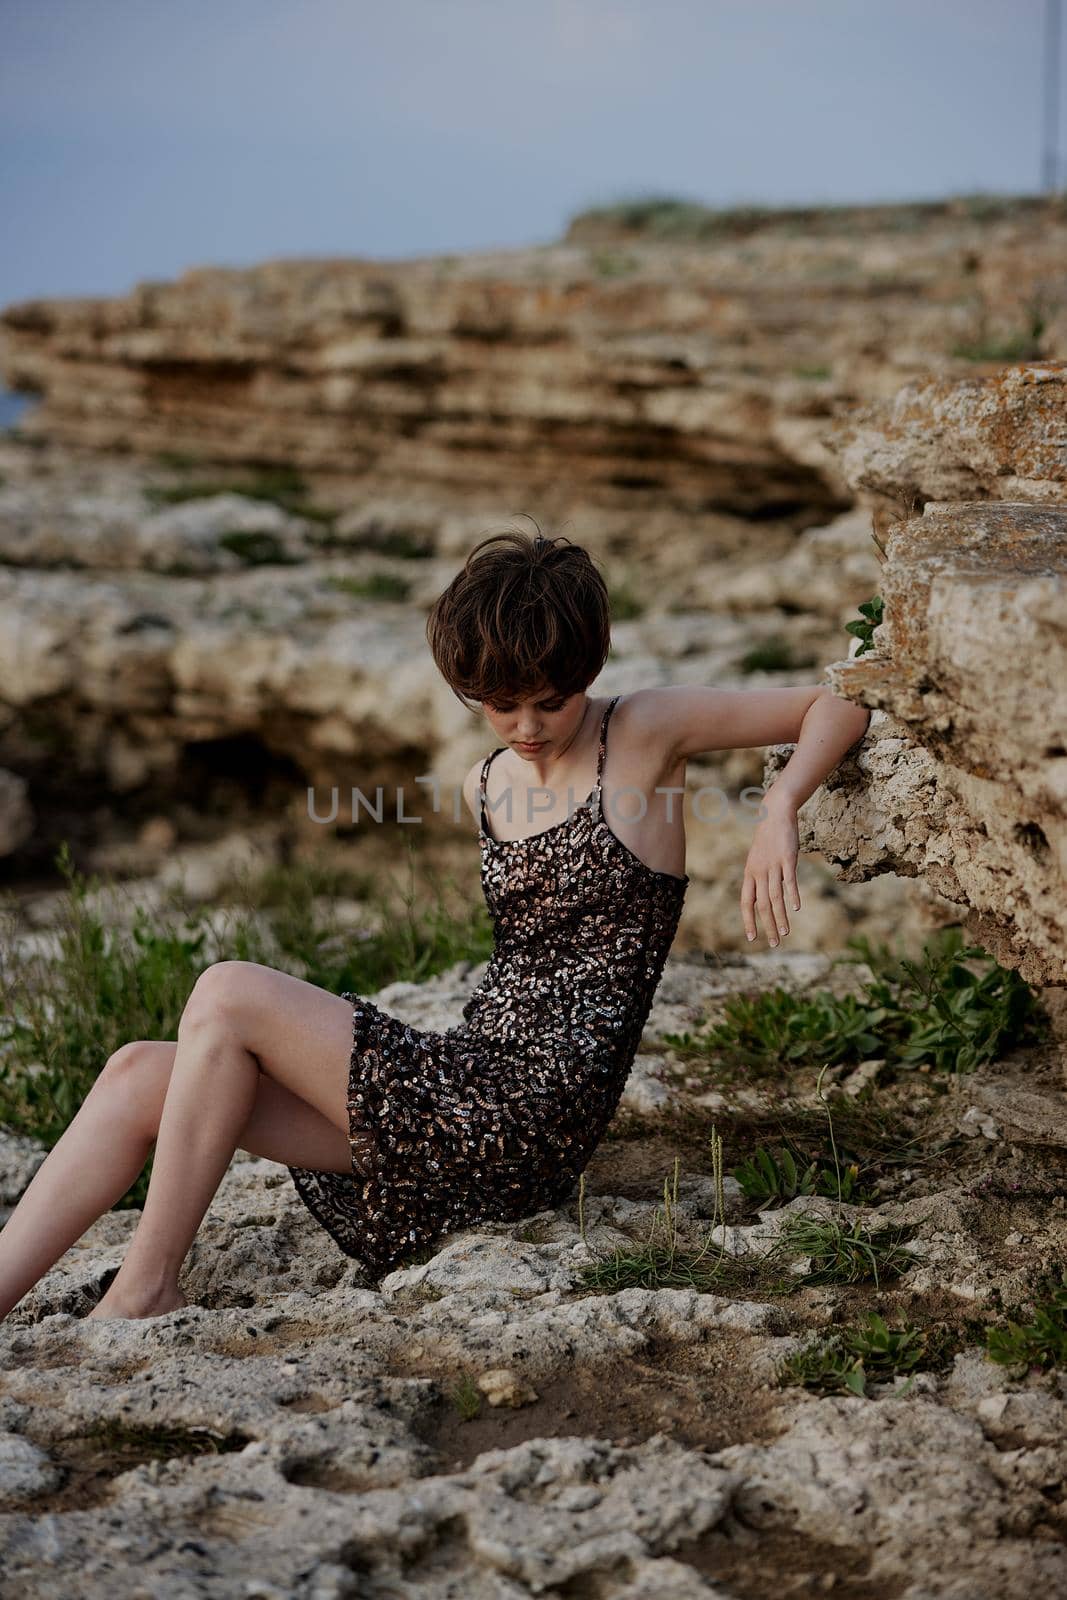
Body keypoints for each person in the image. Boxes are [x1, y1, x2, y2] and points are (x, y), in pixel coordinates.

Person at [0, 527, 869, 1320]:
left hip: (529, 1116)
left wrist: (778, 805)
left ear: (590, 670)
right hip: (467, 1083)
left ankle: (146, 1285)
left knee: (227, 993)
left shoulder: (641, 732)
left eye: (548, 702)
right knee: (135, 1072)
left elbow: (837, 702)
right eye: (500, 704)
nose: (526, 726)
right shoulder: (486, 783)